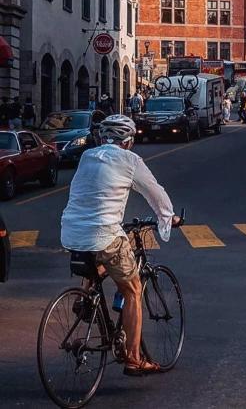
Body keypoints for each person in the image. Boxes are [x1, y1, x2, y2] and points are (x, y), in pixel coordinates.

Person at [60, 115, 182, 375]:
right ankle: (134, 358)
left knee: (102, 257)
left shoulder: (87, 157)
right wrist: (169, 217)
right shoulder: (130, 160)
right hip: (104, 233)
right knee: (133, 289)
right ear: (128, 141)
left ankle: (86, 295)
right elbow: (154, 191)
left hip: (71, 231)